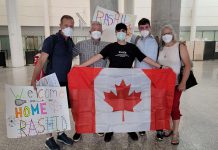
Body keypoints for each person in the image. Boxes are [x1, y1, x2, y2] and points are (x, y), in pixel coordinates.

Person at [77, 23, 164, 142]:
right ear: (116, 33)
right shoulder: (111, 47)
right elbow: (97, 57)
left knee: (129, 107)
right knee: (112, 108)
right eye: (119, 31)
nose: (121, 32)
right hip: (112, 83)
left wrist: (160, 67)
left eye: (123, 30)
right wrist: (81, 67)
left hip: (128, 83)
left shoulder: (132, 47)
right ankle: (110, 130)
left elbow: (144, 58)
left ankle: (131, 129)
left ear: (126, 32)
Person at [31, 15, 76, 150]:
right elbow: (41, 60)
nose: (69, 28)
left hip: (64, 81)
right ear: (60, 26)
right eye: (66, 25)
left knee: (61, 109)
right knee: (50, 111)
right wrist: (34, 79)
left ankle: (61, 134)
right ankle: (48, 138)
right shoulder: (52, 40)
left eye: (71, 26)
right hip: (51, 81)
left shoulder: (70, 42)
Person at [71, 21, 110, 142]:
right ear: (90, 32)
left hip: (101, 81)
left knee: (100, 105)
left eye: (99, 29)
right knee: (82, 106)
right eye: (94, 29)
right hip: (84, 82)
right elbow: (68, 55)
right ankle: (79, 129)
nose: (96, 31)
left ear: (102, 32)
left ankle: (99, 126)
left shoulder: (107, 45)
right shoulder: (81, 44)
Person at [157, 25, 191, 145]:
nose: (167, 36)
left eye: (169, 33)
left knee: (174, 107)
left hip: (176, 84)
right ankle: (170, 128)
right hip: (162, 84)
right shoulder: (160, 48)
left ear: (173, 34)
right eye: (164, 34)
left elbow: (188, 65)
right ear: (161, 36)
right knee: (166, 106)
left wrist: (183, 82)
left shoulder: (180, 46)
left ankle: (176, 132)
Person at [131, 18, 160, 139]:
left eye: (146, 27)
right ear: (139, 29)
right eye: (141, 28)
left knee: (156, 103)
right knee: (141, 103)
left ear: (150, 27)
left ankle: (159, 128)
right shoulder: (136, 39)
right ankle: (142, 127)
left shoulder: (157, 40)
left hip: (153, 76)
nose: (144, 30)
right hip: (139, 76)